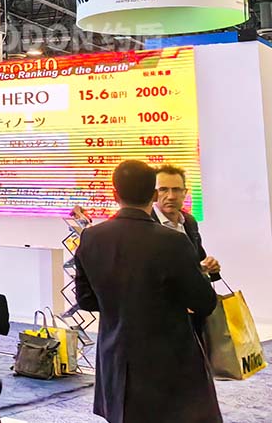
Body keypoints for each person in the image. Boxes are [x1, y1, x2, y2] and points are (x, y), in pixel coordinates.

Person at [74, 160, 221, 423]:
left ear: (115, 194)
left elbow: (85, 299)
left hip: (116, 355)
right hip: (169, 360)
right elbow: (204, 302)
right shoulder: (173, 241)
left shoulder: (91, 237)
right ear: (154, 195)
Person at [152, 164, 220, 279]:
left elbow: (199, 259)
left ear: (184, 193)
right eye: (163, 189)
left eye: (176, 190)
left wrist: (209, 266)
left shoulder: (189, 221)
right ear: (153, 194)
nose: (171, 196)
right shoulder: (146, 224)